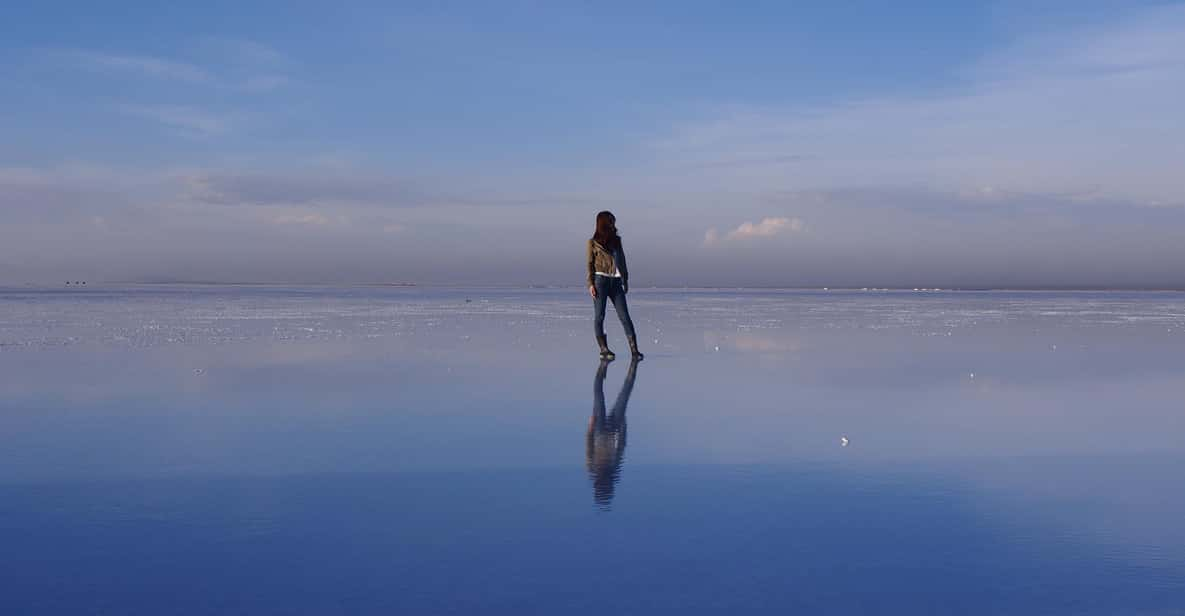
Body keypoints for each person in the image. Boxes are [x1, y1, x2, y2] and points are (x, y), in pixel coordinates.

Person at [587, 211, 642, 360]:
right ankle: (603, 349)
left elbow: (622, 260)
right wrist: (591, 284)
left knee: (624, 316)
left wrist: (625, 279)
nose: (614, 224)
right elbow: (590, 264)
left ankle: (635, 351)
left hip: (616, 281)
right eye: (611, 221)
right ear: (604, 223)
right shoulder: (592, 243)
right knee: (599, 316)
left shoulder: (617, 241)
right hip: (600, 281)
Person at [586, 357, 639, 510]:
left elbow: (589, 447)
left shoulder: (593, 468)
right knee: (624, 393)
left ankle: (602, 368)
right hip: (612, 430)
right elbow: (621, 447)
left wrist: (590, 426)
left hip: (600, 430)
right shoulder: (612, 469)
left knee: (599, 393)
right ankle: (630, 369)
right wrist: (623, 427)